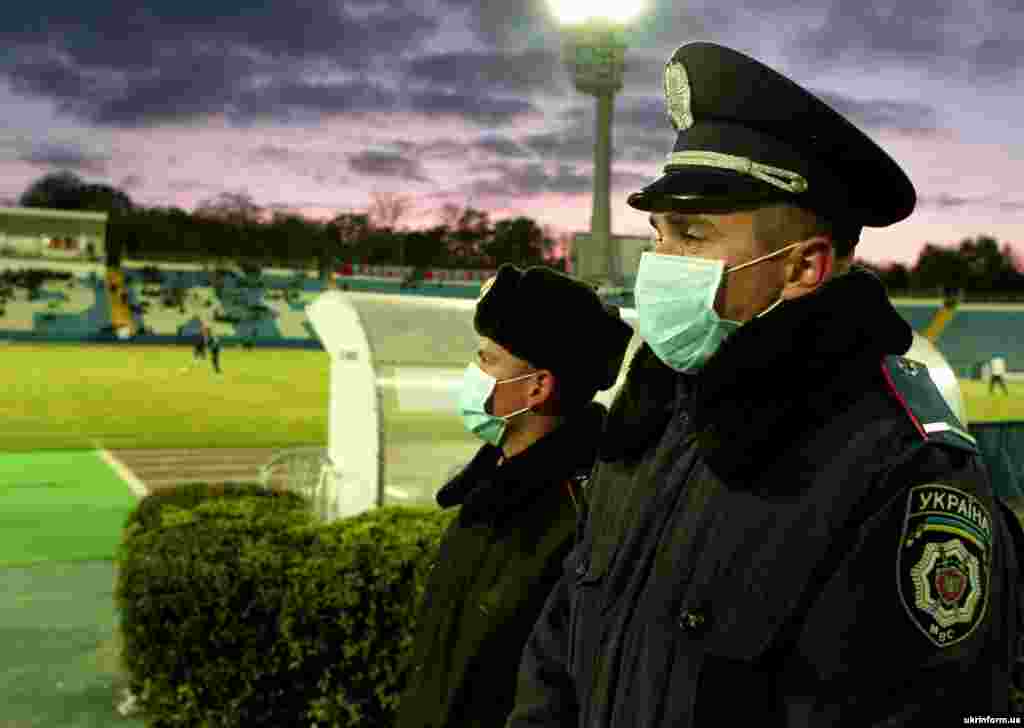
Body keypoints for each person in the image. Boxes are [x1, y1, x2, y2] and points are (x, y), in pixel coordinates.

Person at [507, 42, 1021, 726]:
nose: (658, 264)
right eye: (658, 234)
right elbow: (564, 641)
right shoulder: (656, 411)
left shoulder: (899, 474)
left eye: (691, 235)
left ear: (804, 268)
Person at [394, 264, 633, 728]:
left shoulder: (582, 513)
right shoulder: (488, 488)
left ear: (538, 387)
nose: (472, 372)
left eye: (486, 360)